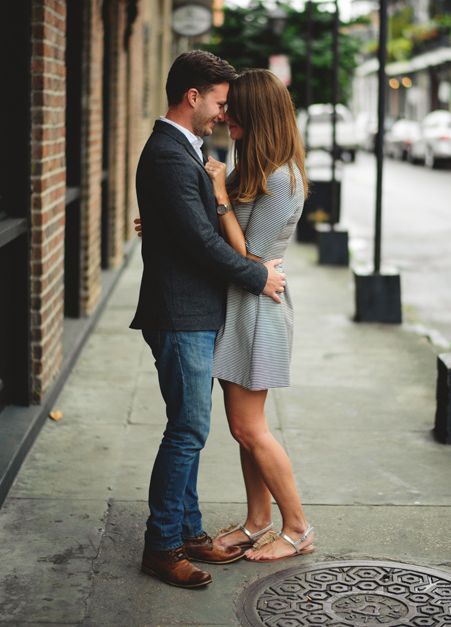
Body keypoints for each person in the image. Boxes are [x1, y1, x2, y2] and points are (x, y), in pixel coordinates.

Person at [131, 51, 287, 588]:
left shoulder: (183, 151)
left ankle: (189, 529)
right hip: (180, 312)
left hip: (193, 309)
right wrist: (257, 277)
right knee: (188, 430)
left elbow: (187, 223)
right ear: (192, 97)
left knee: (189, 429)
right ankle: (161, 544)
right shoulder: (170, 155)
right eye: (219, 102)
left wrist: (162, 220)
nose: (223, 113)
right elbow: (200, 240)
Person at [203, 68, 315, 562]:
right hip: (236, 307)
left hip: (257, 311)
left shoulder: (281, 178)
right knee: (242, 427)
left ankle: (297, 528)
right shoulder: (250, 166)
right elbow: (215, 233)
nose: (224, 114)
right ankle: (257, 521)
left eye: (234, 107)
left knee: (250, 428)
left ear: (258, 113)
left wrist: (220, 196)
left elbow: (250, 259)